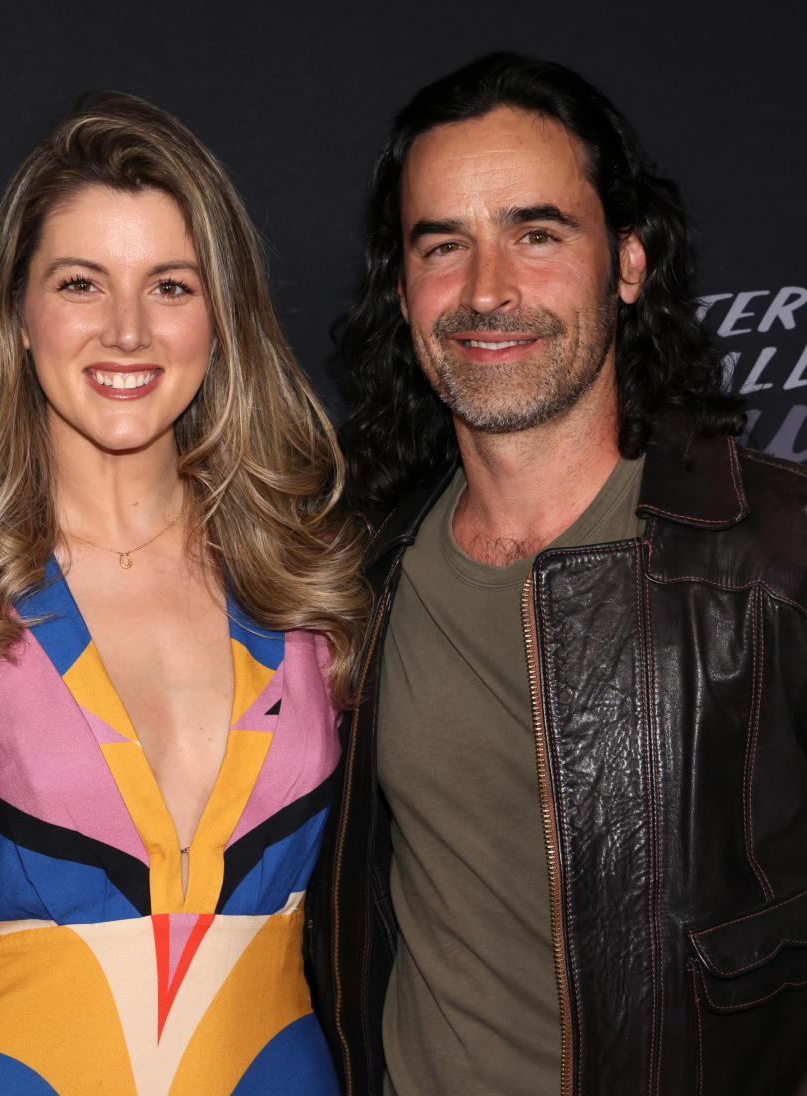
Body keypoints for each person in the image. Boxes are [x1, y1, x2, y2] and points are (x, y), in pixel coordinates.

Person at [0, 92, 368, 1095]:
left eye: (170, 285)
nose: (127, 330)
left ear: (221, 315)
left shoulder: (314, 586)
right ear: (20, 315)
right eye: (81, 283)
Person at [308, 52, 807, 1095]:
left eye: (537, 234)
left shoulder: (775, 558)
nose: (488, 291)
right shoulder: (360, 570)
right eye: (444, 245)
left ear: (628, 264)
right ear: (403, 290)